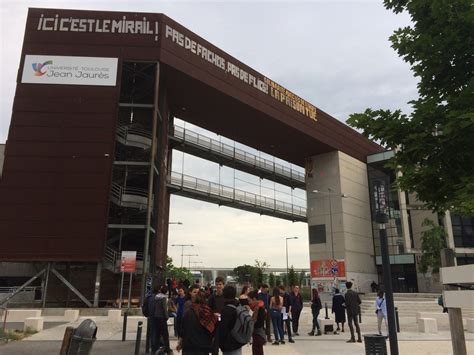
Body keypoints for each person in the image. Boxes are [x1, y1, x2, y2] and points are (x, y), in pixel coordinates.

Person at [179, 290, 218, 355]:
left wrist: (180, 342)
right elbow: (212, 330)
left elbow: (183, 330)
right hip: (204, 349)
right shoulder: (208, 313)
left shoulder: (188, 313)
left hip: (189, 348)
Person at [219, 285, 244, 355]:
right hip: (238, 341)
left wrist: (221, 344)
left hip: (229, 344)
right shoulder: (238, 305)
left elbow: (223, 329)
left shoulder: (227, 310)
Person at [209, 276, 225, 355]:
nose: (218, 286)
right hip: (215, 324)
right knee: (215, 346)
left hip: (224, 323)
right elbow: (208, 309)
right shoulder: (212, 297)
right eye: (217, 284)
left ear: (223, 285)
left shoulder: (226, 297)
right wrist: (213, 314)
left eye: (220, 284)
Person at [154, 285, 172, 354]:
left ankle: (156, 348)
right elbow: (164, 309)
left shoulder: (156, 297)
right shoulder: (164, 298)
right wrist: (167, 316)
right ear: (166, 291)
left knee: (157, 334)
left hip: (156, 316)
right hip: (162, 317)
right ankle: (167, 349)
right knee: (165, 334)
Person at [248, 290, 266, 355]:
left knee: (258, 351)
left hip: (258, 334)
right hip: (255, 334)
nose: (249, 302)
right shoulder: (254, 308)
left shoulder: (260, 308)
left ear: (254, 299)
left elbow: (259, 323)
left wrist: (250, 322)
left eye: (249, 300)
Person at [143, 286, 158, 352]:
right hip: (156, 317)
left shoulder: (148, 297)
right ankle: (154, 348)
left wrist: (147, 315)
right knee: (155, 333)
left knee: (150, 332)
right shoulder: (158, 298)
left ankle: (149, 347)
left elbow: (145, 307)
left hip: (150, 317)